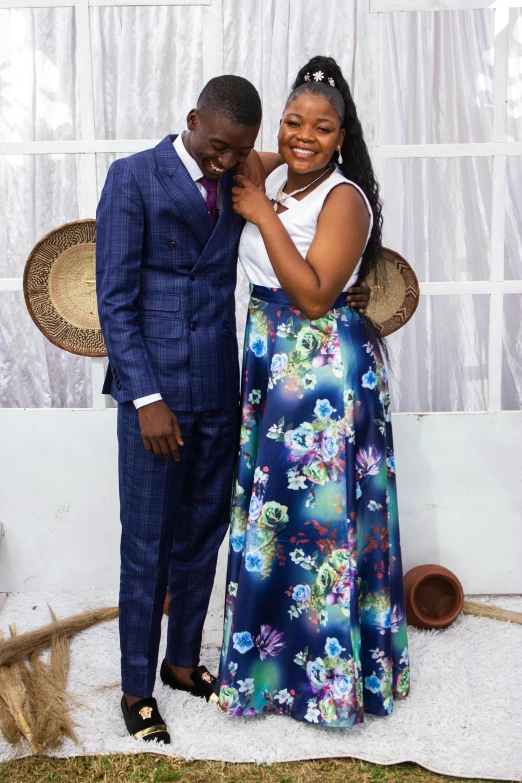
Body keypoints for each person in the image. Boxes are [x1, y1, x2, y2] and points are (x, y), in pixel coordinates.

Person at [96, 72, 373, 742]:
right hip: (157, 400)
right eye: (217, 148)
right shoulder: (132, 177)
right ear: (193, 120)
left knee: (203, 536)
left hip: (228, 389)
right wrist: (146, 397)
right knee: (147, 545)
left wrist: (350, 289)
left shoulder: (242, 172)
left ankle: (183, 661)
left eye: (236, 153)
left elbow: (306, 160)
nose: (224, 162)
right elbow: (115, 302)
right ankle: (137, 689)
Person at [216, 57, 410, 727]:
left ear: (343, 135)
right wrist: (283, 155)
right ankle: (271, 671)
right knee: (277, 523)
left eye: (322, 129)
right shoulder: (275, 177)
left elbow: (315, 291)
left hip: (322, 369)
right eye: (293, 122)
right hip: (274, 363)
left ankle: (328, 684)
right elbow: (253, 160)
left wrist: (262, 214)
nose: (303, 137)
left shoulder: (345, 198)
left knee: (322, 528)